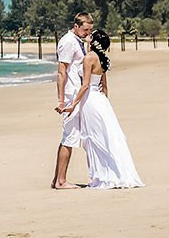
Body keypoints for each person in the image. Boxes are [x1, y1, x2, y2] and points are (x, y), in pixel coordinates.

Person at [65, 29, 144, 189]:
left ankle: (102, 176)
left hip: (90, 101)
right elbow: (105, 87)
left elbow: (85, 85)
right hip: (101, 101)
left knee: (95, 138)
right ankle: (112, 172)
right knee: (107, 137)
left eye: (90, 35)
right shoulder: (102, 59)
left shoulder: (89, 58)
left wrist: (73, 104)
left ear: (93, 40)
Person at [51, 12, 94, 189]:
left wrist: (88, 44)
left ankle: (57, 179)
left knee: (71, 137)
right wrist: (61, 100)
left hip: (76, 94)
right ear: (76, 26)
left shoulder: (78, 41)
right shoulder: (68, 42)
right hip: (70, 95)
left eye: (90, 30)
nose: (87, 33)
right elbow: (62, 72)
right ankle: (61, 181)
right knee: (69, 137)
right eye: (85, 30)